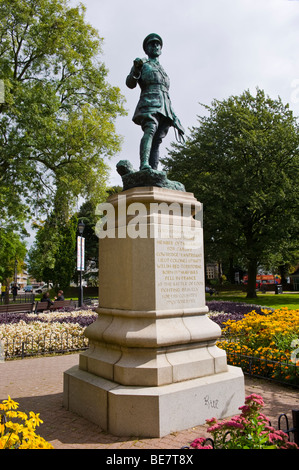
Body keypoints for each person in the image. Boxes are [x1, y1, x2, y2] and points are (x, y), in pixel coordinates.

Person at [126, 33, 185, 171]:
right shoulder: (142, 64)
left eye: (158, 44)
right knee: (150, 129)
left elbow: (167, 94)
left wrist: (175, 118)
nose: (155, 46)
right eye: (152, 44)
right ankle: (144, 165)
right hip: (149, 102)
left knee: (158, 139)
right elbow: (130, 83)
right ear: (146, 49)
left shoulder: (163, 70)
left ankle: (153, 169)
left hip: (165, 107)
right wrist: (135, 69)